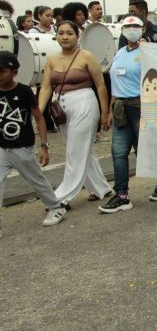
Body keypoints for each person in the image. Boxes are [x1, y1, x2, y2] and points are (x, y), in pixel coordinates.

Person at [100, 16, 157, 213]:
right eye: (127, 26)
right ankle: (122, 195)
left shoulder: (148, 51)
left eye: (135, 26)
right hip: (121, 109)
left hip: (142, 106)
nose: (131, 29)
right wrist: (109, 110)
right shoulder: (119, 53)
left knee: (147, 149)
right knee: (118, 152)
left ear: (142, 29)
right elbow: (114, 85)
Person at [37, 21, 111, 207]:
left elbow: (100, 85)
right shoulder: (52, 60)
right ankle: (101, 188)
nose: (65, 37)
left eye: (69, 33)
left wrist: (105, 112)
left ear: (77, 37)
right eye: (61, 33)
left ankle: (62, 197)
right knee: (82, 148)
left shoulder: (86, 56)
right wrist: (38, 112)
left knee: (74, 151)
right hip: (62, 107)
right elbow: (45, 88)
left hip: (85, 103)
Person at [0, 51, 68, 231]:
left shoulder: (23, 91)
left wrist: (44, 146)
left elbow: (39, 118)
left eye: (2, 71)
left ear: (14, 71)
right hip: (1, 149)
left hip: (22, 147)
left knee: (36, 179)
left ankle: (56, 207)